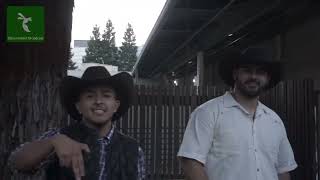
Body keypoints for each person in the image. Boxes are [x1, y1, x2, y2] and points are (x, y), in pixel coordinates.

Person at [177, 48, 297, 180]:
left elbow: (283, 170)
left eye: (260, 72)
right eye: (247, 70)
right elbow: (190, 161)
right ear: (235, 74)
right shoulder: (208, 113)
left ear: (267, 78)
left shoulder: (274, 121)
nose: (253, 77)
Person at [8, 66, 146, 180]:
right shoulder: (59, 137)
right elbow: (16, 163)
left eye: (106, 95)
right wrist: (52, 142)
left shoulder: (133, 149)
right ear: (78, 106)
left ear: (116, 106)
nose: (98, 101)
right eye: (90, 96)